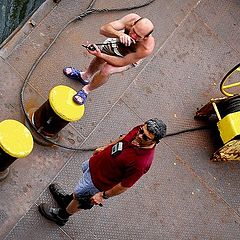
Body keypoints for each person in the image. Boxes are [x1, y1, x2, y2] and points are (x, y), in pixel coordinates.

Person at [38, 118, 167, 226]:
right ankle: (67, 200)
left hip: (99, 182)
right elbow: (123, 138)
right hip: (97, 165)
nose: (139, 136)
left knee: (80, 199)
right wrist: (104, 148)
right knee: (79, 191)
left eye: (145, 137)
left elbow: (124, 186)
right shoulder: (139, 129)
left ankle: (62, 216)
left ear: (155, 142)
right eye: (141, 131)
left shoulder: (141, 163)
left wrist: (102, 195)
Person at [63, 13, 155, 105]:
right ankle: (85, 76)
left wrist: (100, 55)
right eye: (133, 31)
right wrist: (119, 34)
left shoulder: (146, 48)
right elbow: (103, 30)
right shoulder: (131, 19)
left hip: (128, 58)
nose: (133, 36)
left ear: (145, 37)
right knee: (99, 59)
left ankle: (86, 90)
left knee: (106, 70)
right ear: (134, 23)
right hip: (119, 43)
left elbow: (122, 62)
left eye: (138, 36)